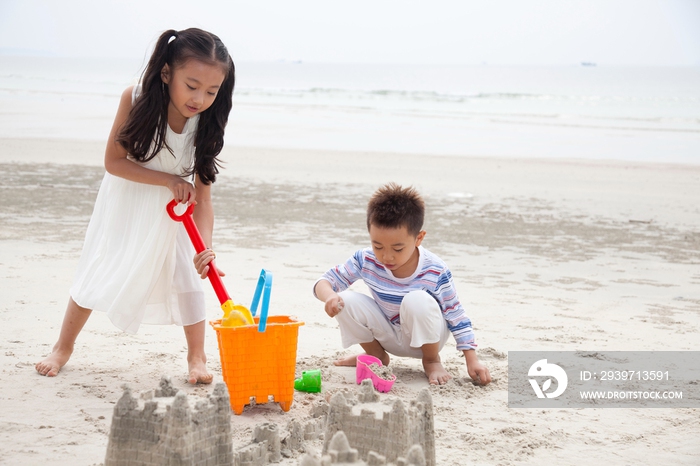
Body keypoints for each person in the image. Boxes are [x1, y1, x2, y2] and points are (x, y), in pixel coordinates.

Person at [35, 28, 235, 384]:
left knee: (188, 277)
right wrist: (169, 181)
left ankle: (197, 357)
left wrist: (203, 248)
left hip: (177, 212)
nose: (200, 98)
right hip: (128, 200)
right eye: (192, 86)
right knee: (100, 267)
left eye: (211, 90)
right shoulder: (137, 98)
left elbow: (203, 197)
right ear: (166, 73)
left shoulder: (208, 122)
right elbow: (114, 162)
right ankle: (62, 347)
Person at [313, 183, 491, 386]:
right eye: (377, 246)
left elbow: (455, 313)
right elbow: (324, 281)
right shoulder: (366, 259)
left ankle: (431, 361)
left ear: (419, 238)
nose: (386, 256)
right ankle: (377, 356)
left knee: (417, 300)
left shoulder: (435, 269)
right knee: (344, 299)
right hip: (389, 334)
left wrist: (472, 359)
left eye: (398, 248)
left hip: (427, 338)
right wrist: (329, 296)